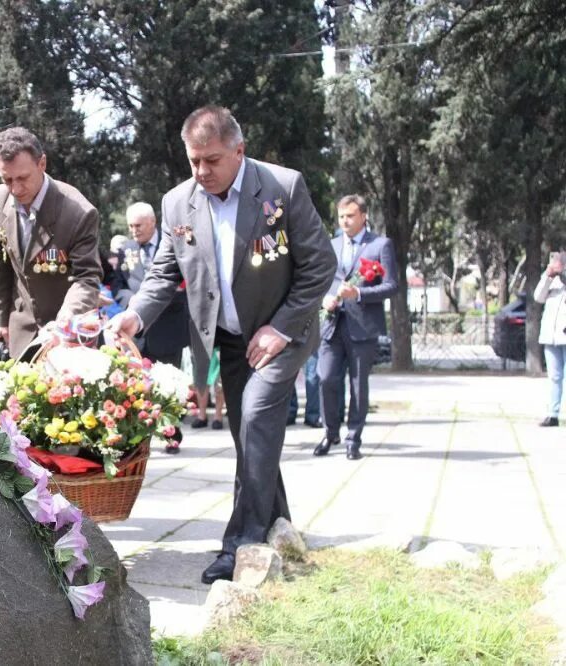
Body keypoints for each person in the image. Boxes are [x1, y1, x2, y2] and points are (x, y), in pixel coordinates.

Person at [109, 105, 335, 584]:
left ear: (239, 151)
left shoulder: (282, 187)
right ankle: (279, 527)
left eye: (211, 160)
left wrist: (281, 328)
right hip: (227, 340)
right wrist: (133, 315)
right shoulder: (177, 203)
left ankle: (242, 546)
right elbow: (163, 273)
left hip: (280, 332)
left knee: (255, 418)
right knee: (248, 436)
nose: (201, 171)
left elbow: (319, 265)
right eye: (193, 160)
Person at [0, 127, 101, 358]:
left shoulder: (78, 213)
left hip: (69, 335)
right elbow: (1, 263)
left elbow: (87, 278)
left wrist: (66, 319)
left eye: (22, 178)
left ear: (42, 164)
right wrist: (1, 320)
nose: (15, 189)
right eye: (7, 179)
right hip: (20, 331)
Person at [314, 195, 398, 460]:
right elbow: (323, 279)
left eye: (350, 216)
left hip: (362, 327)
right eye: (341, 217)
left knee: (358, 385)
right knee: (325, 377)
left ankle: (353, 438)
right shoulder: (332, 244)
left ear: (363, 216)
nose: (345, 221)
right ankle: (330, 431)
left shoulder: (380, 245)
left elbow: (392, 286)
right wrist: (325, 297)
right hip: (332, 324)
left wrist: (359, 294)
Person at [112, 202, 191, 453]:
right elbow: (118, 285)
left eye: (138, 225)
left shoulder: (172, 243)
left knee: (169, 384)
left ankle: (171, 434)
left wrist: (157, 302)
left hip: (168, 325)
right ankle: (140, 440)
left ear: (153, 223)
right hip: (138, 331)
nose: (133, 230)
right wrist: (133, 304)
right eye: (130, 226)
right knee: (138, 387)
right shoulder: (127, 249)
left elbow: (181, 280)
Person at [535, 251, 566, 427]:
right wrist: (548, 276)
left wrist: (562, 274)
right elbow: (538, 297)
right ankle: (553, 414)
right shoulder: (551, 279)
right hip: (551, 336)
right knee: (554, 376)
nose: (555, 264)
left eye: (559, 262)